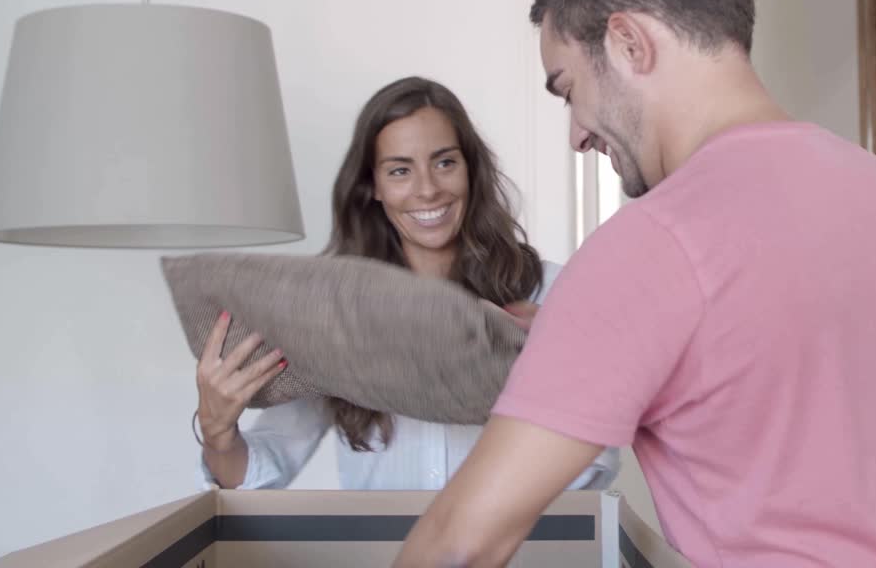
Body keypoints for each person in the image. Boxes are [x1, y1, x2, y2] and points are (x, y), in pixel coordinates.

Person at [394, 0, 876, 567]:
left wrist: (591, 316)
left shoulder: (650, 246)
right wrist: (563, 335)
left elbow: (463, 543)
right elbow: (795, 373)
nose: (576, 132)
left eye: (567, 88)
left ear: (630, 43)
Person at [190, 76, 619, 492]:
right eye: (400, 171)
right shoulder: (331, 315)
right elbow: (258, 474)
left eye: (445, 163)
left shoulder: (553, 292)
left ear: (471, 171)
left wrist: (529, 368)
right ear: (372, 186)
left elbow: (595, 467)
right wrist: (217, 431)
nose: (428, 190)